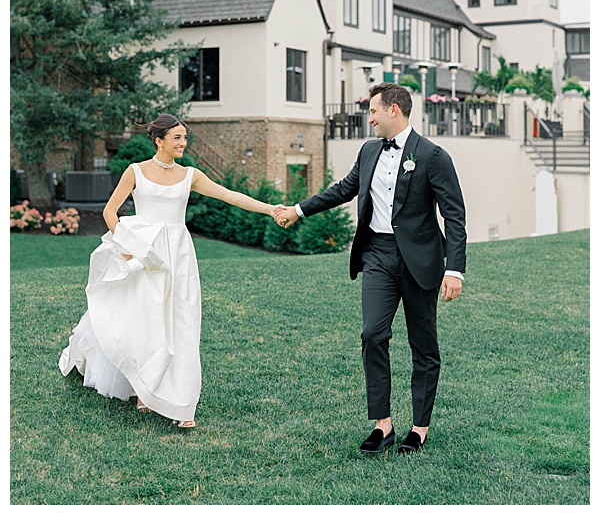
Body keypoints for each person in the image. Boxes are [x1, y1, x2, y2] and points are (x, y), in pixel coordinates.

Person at [273, 82, 466, 455]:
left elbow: (454, 215)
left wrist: (454, 269)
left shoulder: (432, 155)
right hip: (377, 256)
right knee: (372, 334)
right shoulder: (367, 151)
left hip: (420, 262)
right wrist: (298, 210)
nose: (370, 117)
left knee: (423, 345)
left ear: (394, 110)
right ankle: (383, 425)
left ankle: (419, 428)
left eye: (374, 110)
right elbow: (344, 189)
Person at [60, 113, 281, 429]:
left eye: (185, 137)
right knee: (145, 320)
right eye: (177, 137)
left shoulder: (190, 175)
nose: (183, 143)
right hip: (145, 253)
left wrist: (269, 209)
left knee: (180, 322)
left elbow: (229, 195)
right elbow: (110, 211)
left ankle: (181, 404)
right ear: (158, 140)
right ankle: (143, 389)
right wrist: (126, 246)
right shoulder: (135, 171)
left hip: (178, 256)